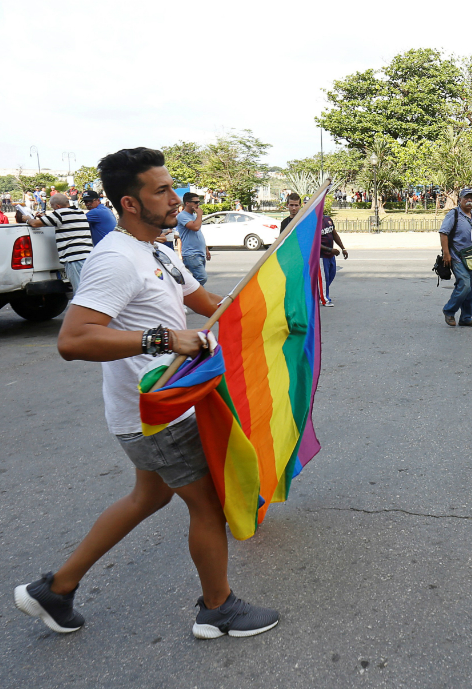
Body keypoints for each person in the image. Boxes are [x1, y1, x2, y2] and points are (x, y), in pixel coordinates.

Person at [14, 147, 279, 640]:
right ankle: (217, 610)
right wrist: (160, 338)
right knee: (208, 507)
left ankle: (56, 588)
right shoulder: (115, 259)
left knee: (147, 496)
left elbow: (206, 304)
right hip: (154, 414)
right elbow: (73, 340)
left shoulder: (158, 249)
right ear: (130, 204)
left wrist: (271, 299)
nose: (175, 198)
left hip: (164, 407)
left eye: (171, 186)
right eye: (161, 191)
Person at [26, 193, 92, 292]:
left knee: (80, 291)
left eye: (52, 207)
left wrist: (27, 219)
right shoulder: (79, 212)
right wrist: (45, 216)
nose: (53, 210)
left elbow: (35, 224)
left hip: (74, 257)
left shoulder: (59, 213)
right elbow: (63, 220)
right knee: (89, 287)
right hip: (87, 255)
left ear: (58, 206)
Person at [440, 189, 472, 327]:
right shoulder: (453, 214)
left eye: (471, 198)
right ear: (460, 199)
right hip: (457, 257)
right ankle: (449, 310)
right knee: (465, 285)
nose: (469, 200)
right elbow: (443, 233)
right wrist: (446, 253)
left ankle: (466, 317)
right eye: (466, 198)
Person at [176, 192, 210, 286]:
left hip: (200, 252)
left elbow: (199, 233)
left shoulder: (193, 216)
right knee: (201, 278)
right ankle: (188, 294)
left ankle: (197, 299)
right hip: (191, 254)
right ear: (187, 203)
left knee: (199, 280)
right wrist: (200, 214)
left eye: (199, 202)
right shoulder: (182, 215)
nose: (198, 204)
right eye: (195, 202)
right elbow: (195, 227)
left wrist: (206, 249)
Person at [319, 214, 348, 307]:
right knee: (324, 278)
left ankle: (319, 293)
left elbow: (334, 234)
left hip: (331, 255)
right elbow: (314, 242)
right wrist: (329, 250)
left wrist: (343, 248)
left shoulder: (327, 219)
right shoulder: (312, 223)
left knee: (331, 274)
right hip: (321, 256)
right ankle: (324, 299)